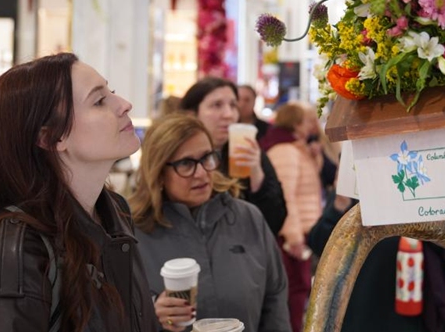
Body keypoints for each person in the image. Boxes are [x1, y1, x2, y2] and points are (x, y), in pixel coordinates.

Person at [0, 52, 159, 331]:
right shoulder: (12, 255)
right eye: (99, 101)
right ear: (50, 137)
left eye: (112, 92)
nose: (125, 105)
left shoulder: (113, 214)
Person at [129, 114, 291, 332]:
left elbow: (275, 298)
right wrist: (151, 311)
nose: (201, 173)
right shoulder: (133, 233)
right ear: (158, 173)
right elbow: (115, 311)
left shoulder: (248, 218)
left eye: (207, 158)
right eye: (186, 163)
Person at [309, 192, 445, 332]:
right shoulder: (354, 195)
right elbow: (319, 243)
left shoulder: (428, 194)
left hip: (413, 313)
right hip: (360, 313)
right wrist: (338, 206)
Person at [179, 77, 286, 236]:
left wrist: (257, 174)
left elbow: (274, 222)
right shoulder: (179, 156)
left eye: (233, 105)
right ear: (192, 114)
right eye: (217, 105)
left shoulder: (247, 151)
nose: (228, 114)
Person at [259, 102, 324, 332]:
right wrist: (293, 236)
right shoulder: (285, 150)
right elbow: (285, 194)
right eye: (307, 120)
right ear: (296, 123)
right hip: (291, 238)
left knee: (298, 291)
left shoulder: (293, 147)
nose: (312, 125)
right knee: (294, 293)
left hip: (301, 231)